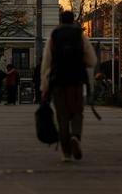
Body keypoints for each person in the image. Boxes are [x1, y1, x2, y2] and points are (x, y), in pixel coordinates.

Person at [41, 10, 97, 162]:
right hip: (76, 80)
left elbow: (47, 62)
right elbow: (91, 60)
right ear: (73, 20)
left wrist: (44, 87)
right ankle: (76, 136)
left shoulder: (54, 36)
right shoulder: (80, 35)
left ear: (60, 20)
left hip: (58, 80)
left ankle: (66, 153)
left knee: (62, 115)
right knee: (77, 112)